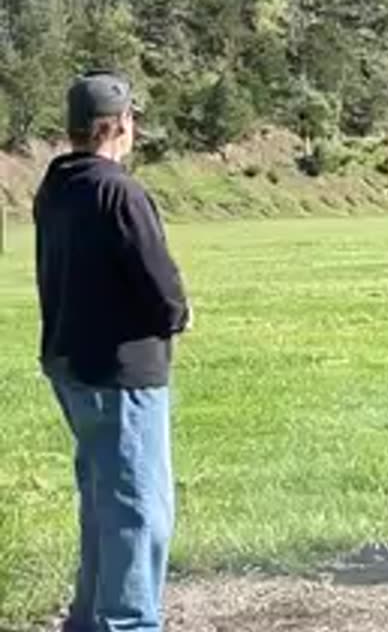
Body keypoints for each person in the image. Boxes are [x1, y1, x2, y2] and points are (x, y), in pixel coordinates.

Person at [34, 70, 191, 632]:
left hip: (72, 365)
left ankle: (89, 619)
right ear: (121, 124)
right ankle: (128, 623)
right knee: (138, 511)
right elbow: (158, 281)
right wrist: (179, 314)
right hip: (122, 373)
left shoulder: (56, 185)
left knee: (103, 504)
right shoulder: (118, 190)